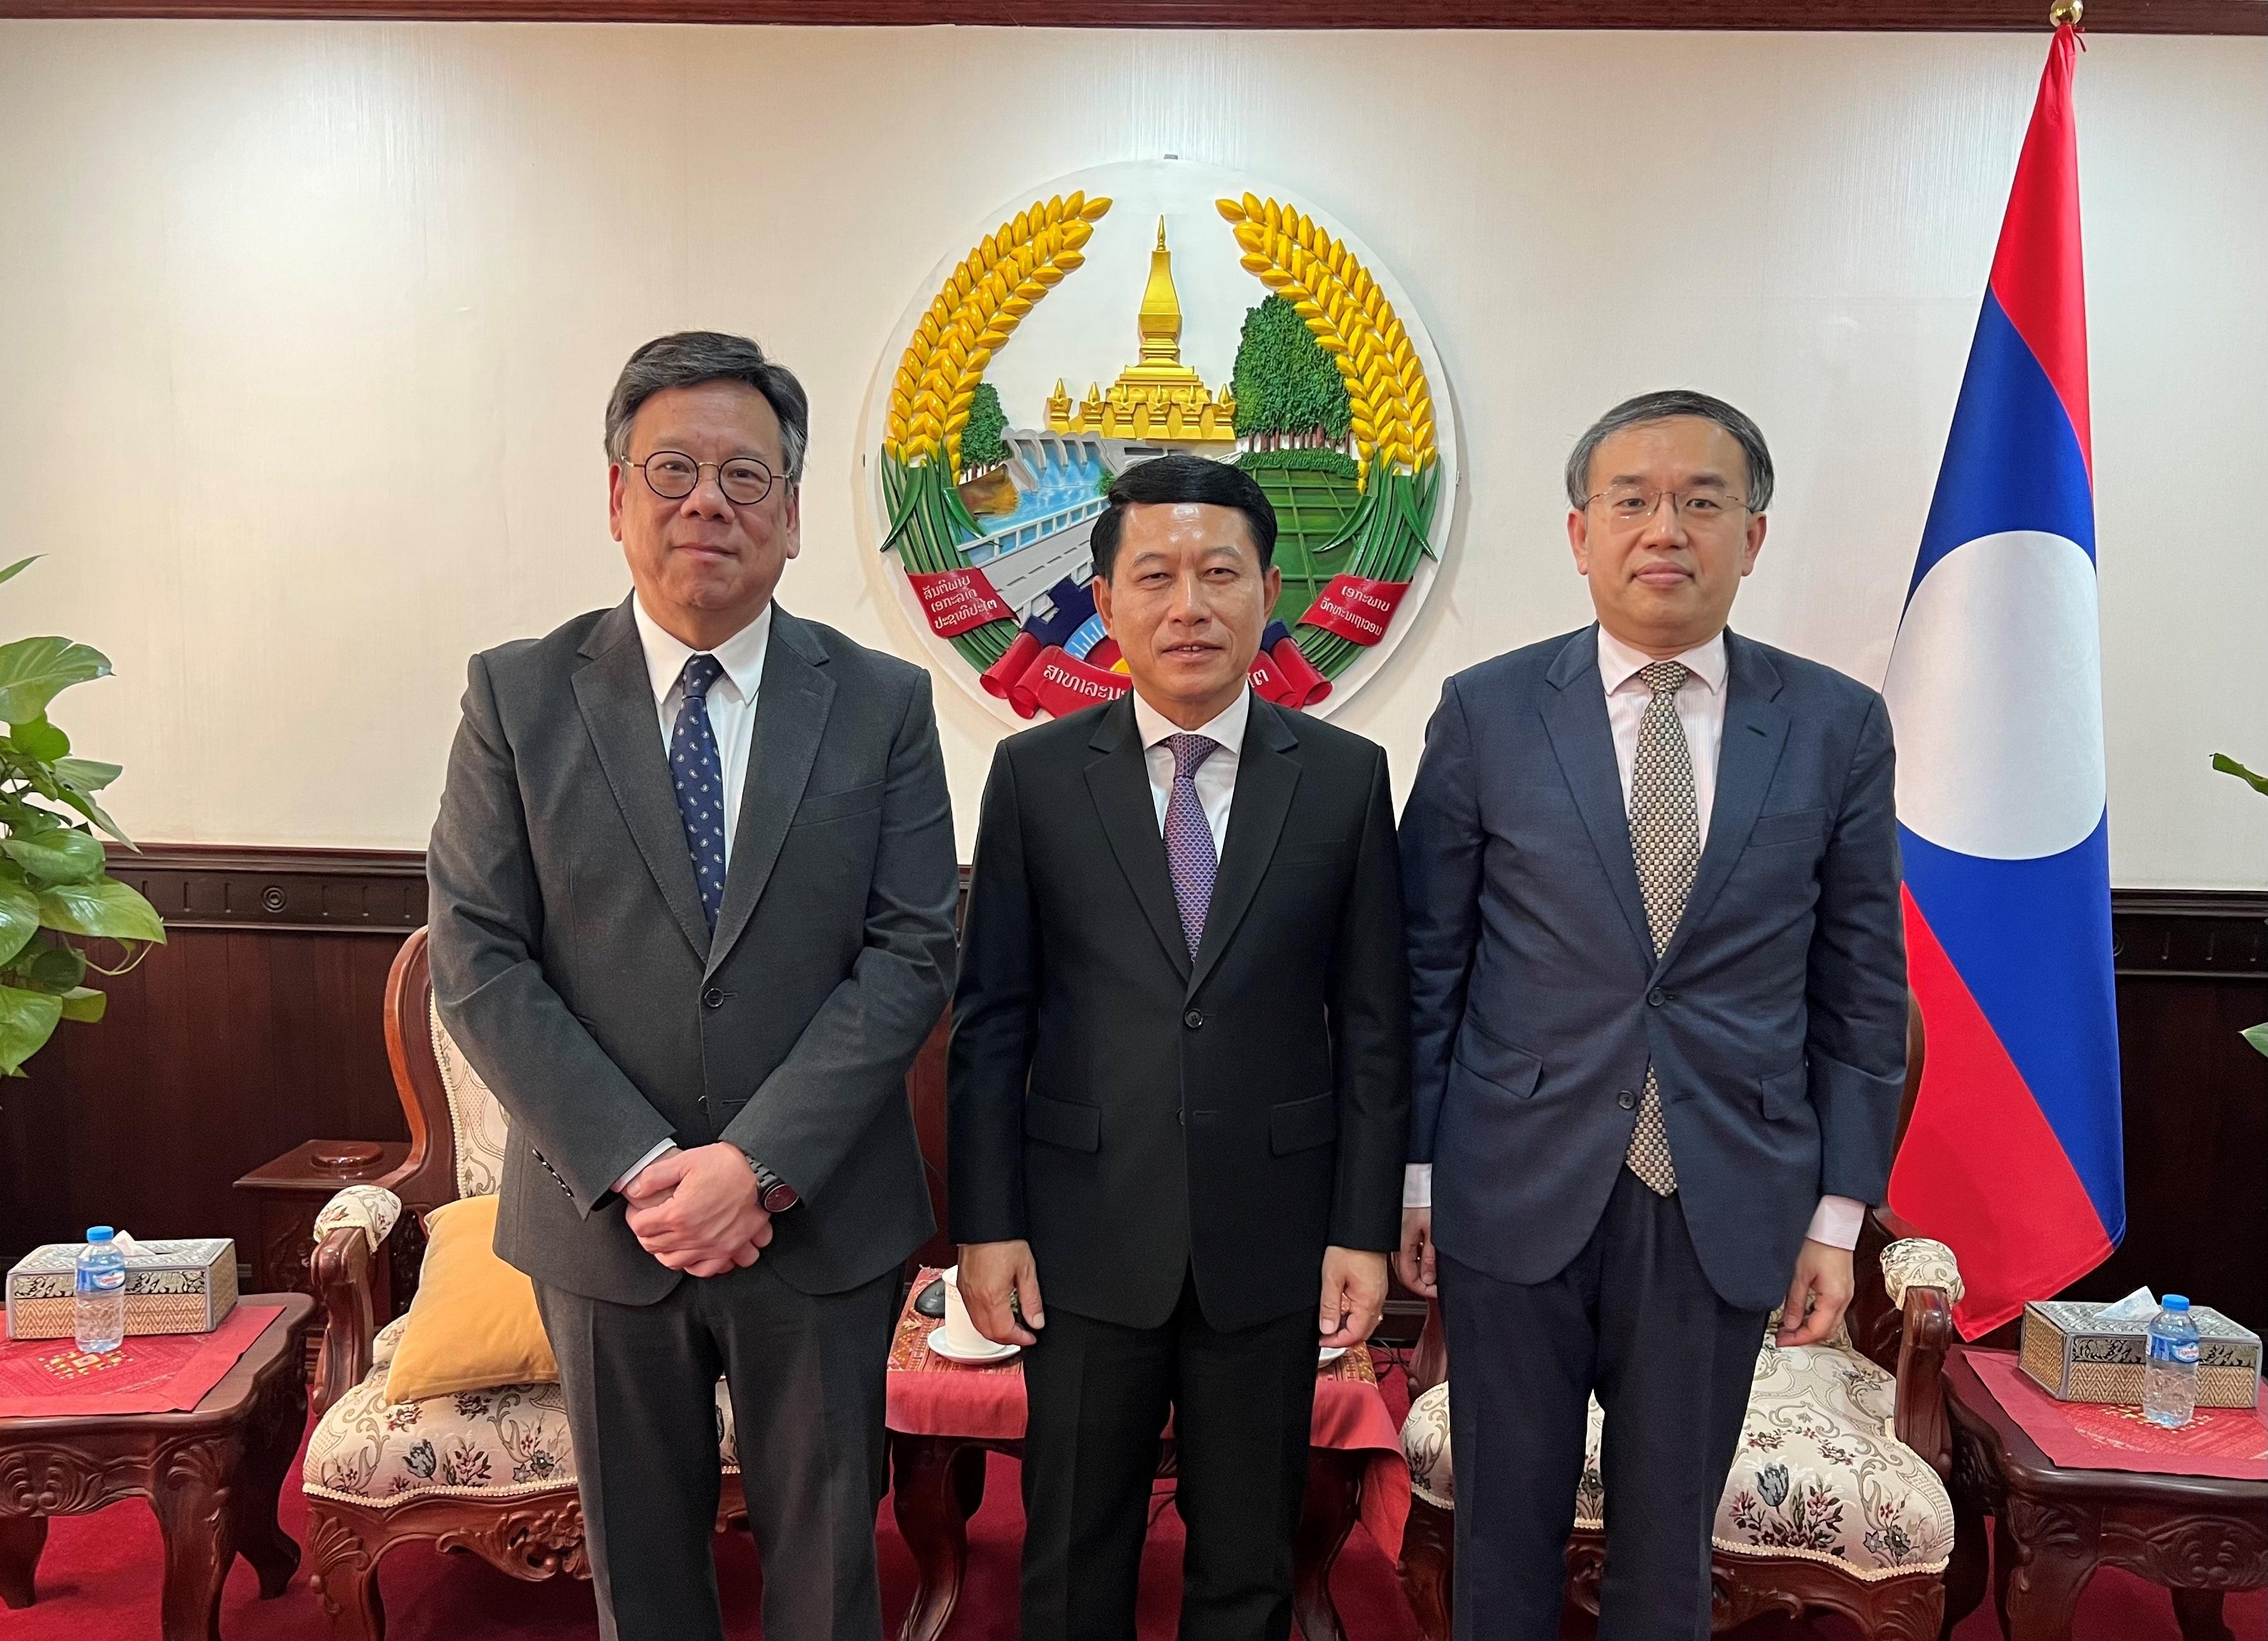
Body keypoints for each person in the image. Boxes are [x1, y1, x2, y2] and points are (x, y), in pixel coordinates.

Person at [425, 331, 959, 1641]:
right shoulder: (519, 693)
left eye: (745, 475)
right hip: (607, 1225)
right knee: (646, 1586)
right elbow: (478, 956)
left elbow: (911, 950)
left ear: (789, 517)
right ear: (616, 498)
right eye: (671, 468)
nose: (706, 500)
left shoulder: (882, 699)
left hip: (819, 1218)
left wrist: (757, 1161)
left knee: (831, 1578)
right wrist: (644, 1163)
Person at [1396, 390, 1906, 1640]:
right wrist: (1411, 1178)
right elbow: (1423, 966)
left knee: (1668, 1547)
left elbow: (1859, 990)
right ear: (1579, 533)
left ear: (1754, 533)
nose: (1662, 528)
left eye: (1700, 499)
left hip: (1724, 1189)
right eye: (1630, 500)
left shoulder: (1834, 725)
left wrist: (1838, 1218)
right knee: (1500, 1534)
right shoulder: (1486, 710)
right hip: (1513, 1180)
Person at [948, 453, 1409, 1641]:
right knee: (1069, 1551)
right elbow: (994, 1015)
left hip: (1273, 1233)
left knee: (1247, 1558)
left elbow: (1371, 1024)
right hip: (1085, 1228)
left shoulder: (1346, 781)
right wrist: (986, 1225)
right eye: (1155, 576)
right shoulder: (1037, 776)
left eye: (1221, 574)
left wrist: (1361, 1226)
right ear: (1105, 605)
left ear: (1269, 596)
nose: (1188, 605)